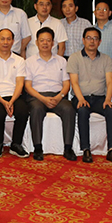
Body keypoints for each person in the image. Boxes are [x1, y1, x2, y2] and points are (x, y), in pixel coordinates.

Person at [67, 27, 112, 164]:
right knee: (82, 110)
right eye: (89, 38)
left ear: (100, 41)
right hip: (81, 97)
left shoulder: (106, 59)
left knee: (111, 110)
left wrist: (108, 99)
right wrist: (81, 99)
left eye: (95, 38)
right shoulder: (74, 58)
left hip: (100, 98)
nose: (92, 41)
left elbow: (110, 82)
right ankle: (86, 149)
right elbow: (74, 82)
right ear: (83, 40)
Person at [24, 27, 76, 162]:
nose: (45, 43)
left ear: (53, 43)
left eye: (48, 40)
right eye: (42, 40)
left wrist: (59, 97)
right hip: (37, 96)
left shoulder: (61, 61)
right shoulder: (29, 61)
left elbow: (66, 84)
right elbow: (28, 86)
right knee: (36, 109)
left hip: (57, 96)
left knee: (69, 109)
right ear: (37, 42)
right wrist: (43, 99)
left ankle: (68, 148)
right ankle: (37, 147)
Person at [0, 28, 29, 158]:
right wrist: (4, 102)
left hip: (14, 95)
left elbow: (20, 84)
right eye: (2, 39)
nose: (5, 42)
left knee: (23, 111)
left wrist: (11, 101)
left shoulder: (19, 60)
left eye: (8, 39)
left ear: (13, 41)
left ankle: (16, 144)